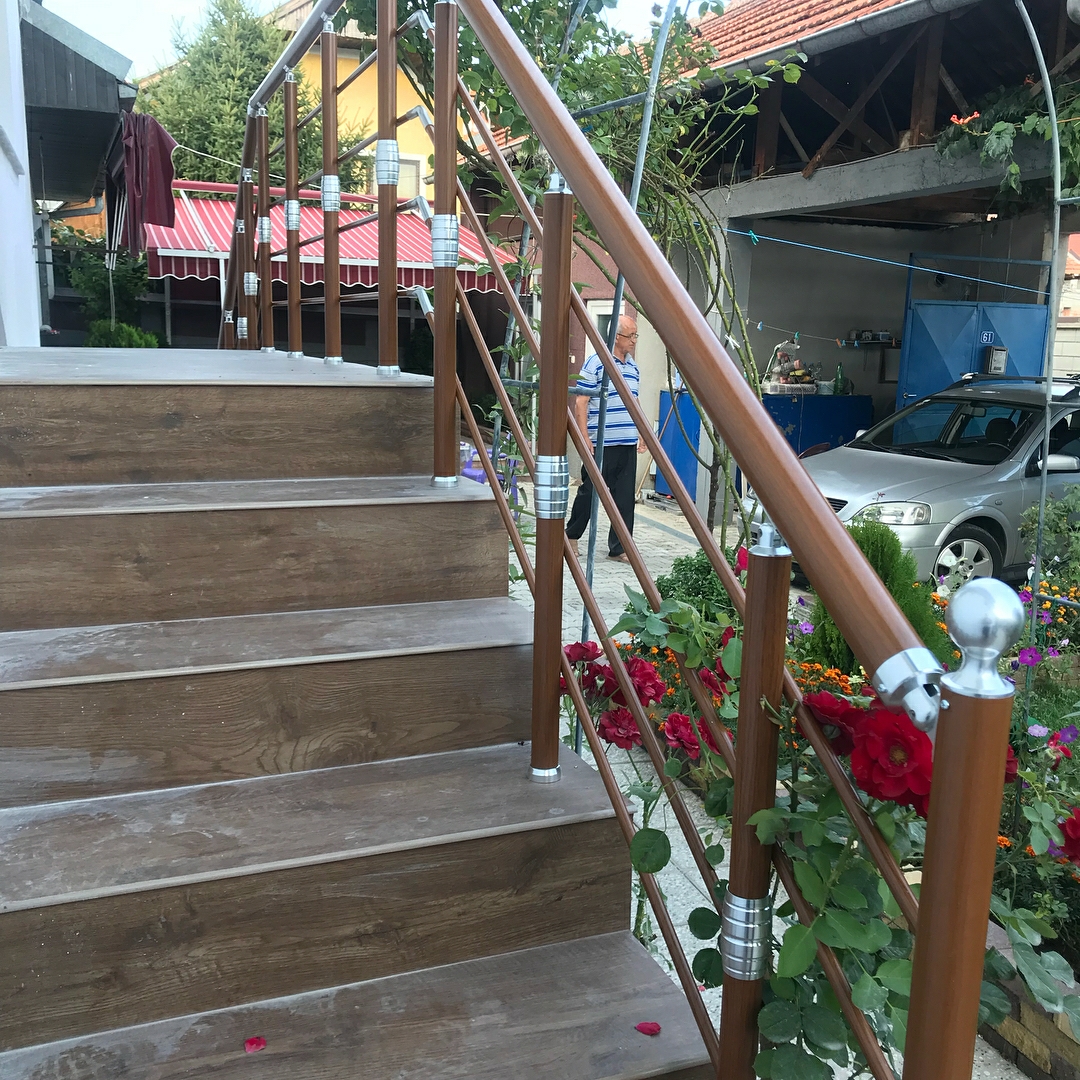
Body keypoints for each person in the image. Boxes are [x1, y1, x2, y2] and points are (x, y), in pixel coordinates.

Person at [566, 314, 645, 563]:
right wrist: (584, 437)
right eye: (630, 335)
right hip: (602, 443)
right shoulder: (596, 363)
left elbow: (635, 402)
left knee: (625, 498)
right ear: (616, 337)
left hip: (626, 442)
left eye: (635, 335)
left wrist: (642, 432)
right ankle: (571, 535)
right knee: (589, 493)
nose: (634, 340)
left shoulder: (633, 367)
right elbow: (581, 401)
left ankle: (619, 548)